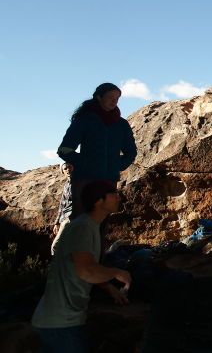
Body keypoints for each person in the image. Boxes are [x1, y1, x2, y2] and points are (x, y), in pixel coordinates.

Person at [32, 180, 132, 353]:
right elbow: (86, 270)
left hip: (58, 321)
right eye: (113, 194)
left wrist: (109, 288)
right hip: (60, 324)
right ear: (98, 201)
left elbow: (80, 266)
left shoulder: (87, 225)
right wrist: (116, 273)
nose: (118, 197)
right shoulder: (83, 228)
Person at [57, 83, 137, 219]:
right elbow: (64, 149)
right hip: (84, 181)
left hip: (108, 182)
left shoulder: (121, 124)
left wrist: (117, 164)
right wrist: (84, 162)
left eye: (117, 98)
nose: (114, 101)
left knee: (103, 223)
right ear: (99, 97)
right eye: (110, 97)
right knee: (81, 222)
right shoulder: (84, 120)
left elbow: (131, 152)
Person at [51, 163, 74, 255]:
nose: (68, 170)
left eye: (69, 167)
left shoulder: (78, 183)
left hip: (71, 217)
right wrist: (56, 222)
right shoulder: (66, 185)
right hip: (65, 218)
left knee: (55, 246)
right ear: (63, 171)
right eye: (65, 168)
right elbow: (62, 204)